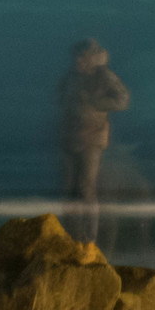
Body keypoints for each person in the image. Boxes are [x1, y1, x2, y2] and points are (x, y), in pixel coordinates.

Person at [56, 38, 131, 203]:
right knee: (69, 189)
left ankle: (90, 229)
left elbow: (123, 99)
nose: (77, 60)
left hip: (92, 137)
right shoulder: (70, 77)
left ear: (92, 57)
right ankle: (70, 228)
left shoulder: (104, 76)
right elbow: (59, 98)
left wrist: (96, 103)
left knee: (87, 187)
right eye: (76, 56)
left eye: (82, 56)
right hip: (70, 137)